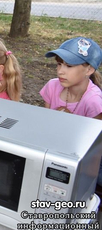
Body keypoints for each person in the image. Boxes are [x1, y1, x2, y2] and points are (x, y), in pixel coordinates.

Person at [39, 37, 102, 188]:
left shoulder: (93, 101)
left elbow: (93, 149)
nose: (61, 71)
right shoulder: (52, 86)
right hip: (54, 147)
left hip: (81, 156)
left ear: (89, 69)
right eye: (59, 64)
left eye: (69, 66)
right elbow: (45, 125)